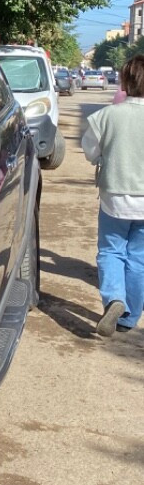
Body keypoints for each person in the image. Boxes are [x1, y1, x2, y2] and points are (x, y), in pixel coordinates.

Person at [81, 54, 144, 337]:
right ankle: (128, 318)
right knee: (139, 258)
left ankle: (115, 299)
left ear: (124, 81)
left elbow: (90, 152)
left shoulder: (107, 116)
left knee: (110, 250)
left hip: (115, 197)